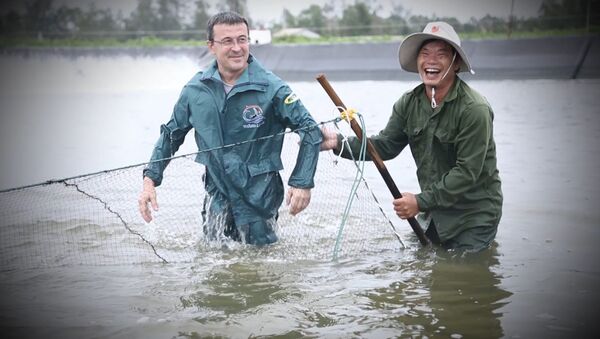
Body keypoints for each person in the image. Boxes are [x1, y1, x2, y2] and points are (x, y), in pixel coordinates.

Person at [138, 11, 322, 246]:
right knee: (214, 261)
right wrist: (149, 181)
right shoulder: (195, 90)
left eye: (242, 39)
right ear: (211, 46)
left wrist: (302, 182)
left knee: (263, 265)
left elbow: (310, 130)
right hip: (216, 196)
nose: (237, 48)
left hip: (259, 200)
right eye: (227, 41)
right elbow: (170, 136)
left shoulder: (273, 87)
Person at [321, 22, 502, 251]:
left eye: (441, 54)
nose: (431, 61)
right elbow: (385, 145)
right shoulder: (408, 103)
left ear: (455, 63)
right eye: (425, 54)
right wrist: (338, 142)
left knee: (462, 274)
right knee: (422, 264)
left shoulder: (474, 109)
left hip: (474, 216)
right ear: (417, 61)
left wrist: (419, 202)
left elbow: (467, 173)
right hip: (435, 212)